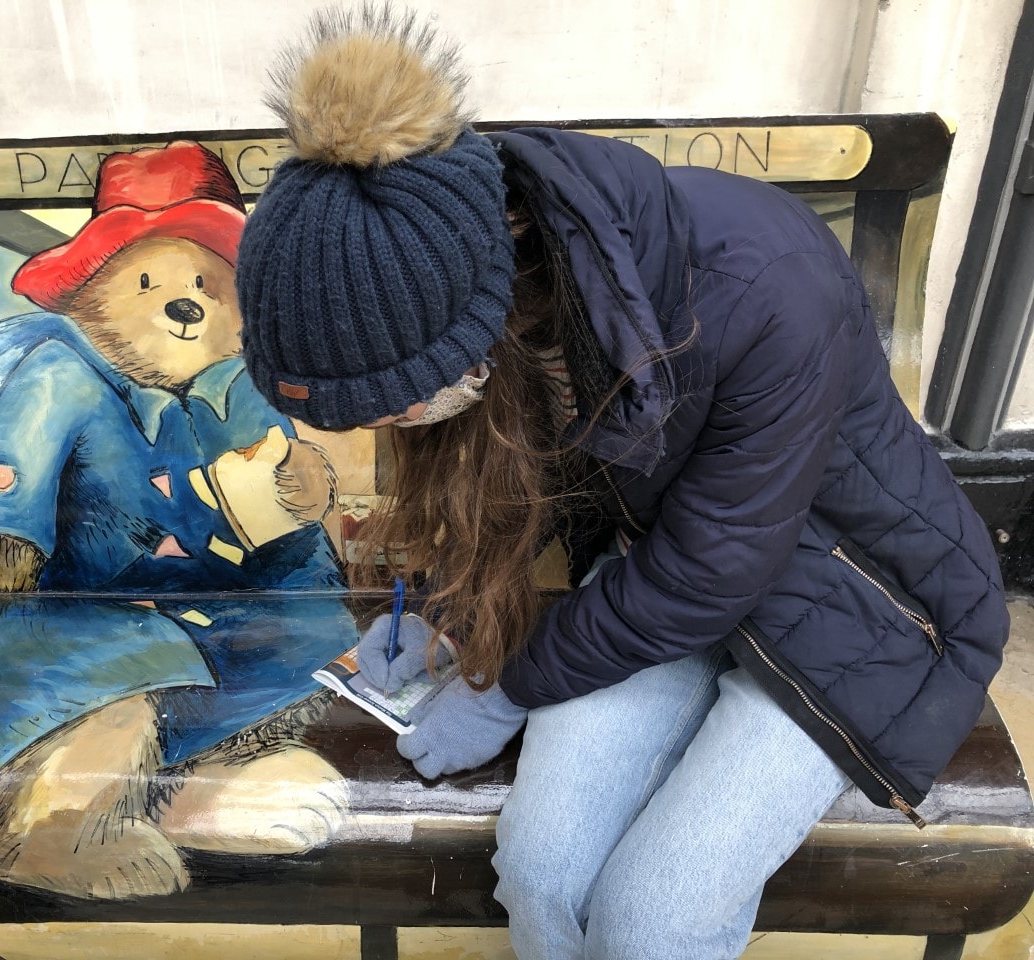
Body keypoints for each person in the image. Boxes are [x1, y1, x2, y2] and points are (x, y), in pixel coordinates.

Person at [234, 6, 1010, 958]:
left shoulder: (764, 284)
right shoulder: (498, 285)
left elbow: (711, 575)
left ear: (463, 319)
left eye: (395, 405)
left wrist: (510, 682)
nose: (391, 430)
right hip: (661, 578)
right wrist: (452, 616)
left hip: (859, 609)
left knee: (655, 921)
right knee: (543, 871)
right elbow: (531, 492)